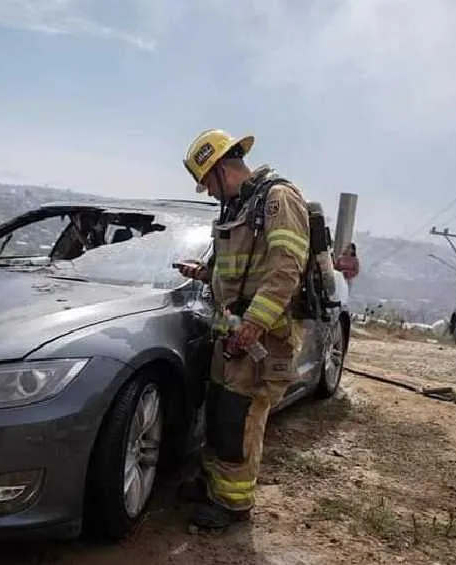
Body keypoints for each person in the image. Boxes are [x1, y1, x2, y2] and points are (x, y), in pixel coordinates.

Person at [174, 129, 310, 531]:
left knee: (240, 420)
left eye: (207, 184)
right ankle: (213, 485)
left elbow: (286, 270)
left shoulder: (278, 201)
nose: (209, 193)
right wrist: (202, 272)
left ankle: (234, 505)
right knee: (218, 411)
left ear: (219, 169)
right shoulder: (238, 207)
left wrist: (253, 324)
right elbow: (237, 273)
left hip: (262, 339)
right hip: (232, 336)